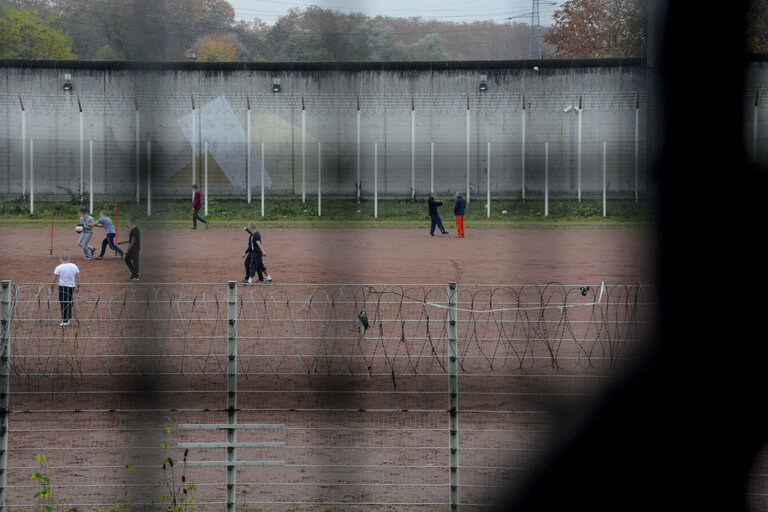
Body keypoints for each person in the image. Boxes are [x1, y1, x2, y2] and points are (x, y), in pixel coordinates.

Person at [51, 253, 79, 327]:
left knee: (63, 303)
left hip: (63, 286)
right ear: (68, 258)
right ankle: (68, 318)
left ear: (61, 259)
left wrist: (52, 286)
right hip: (71, 286)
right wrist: (78, 286)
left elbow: (55, 278)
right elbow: (77, 276)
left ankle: (65, 320)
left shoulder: (59, 267)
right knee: (69, 302)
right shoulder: (74, 266)